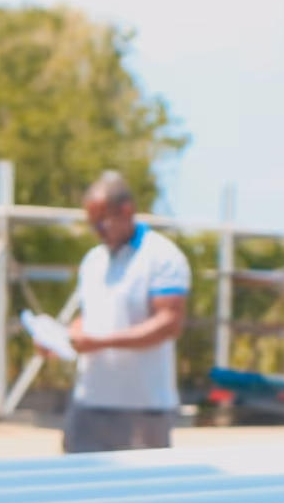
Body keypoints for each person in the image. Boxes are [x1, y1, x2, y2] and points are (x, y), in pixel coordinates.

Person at [60, 171, 190, 452]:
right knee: (75, 491)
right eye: (92, 223)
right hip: (89, 403)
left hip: (143, 409)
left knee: (142, 493)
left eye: (102, 221)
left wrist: (100, 343)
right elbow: (92, 314)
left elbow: (169, 323)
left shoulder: (162, 257)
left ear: (126, 211)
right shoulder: (93, 260)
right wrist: (70, 334)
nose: (97, 230)